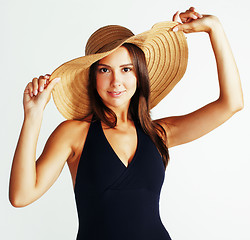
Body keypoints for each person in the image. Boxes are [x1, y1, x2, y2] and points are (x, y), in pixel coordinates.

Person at [9, 7, 243, 240]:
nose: (116, 81)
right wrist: (33, 115)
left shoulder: (157, 134)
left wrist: (215, 29)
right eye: (104, 70)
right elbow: (21, 196)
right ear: (93, 77)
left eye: (126, 69)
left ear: (138, 74)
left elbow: (231, 104)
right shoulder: (73, 133)